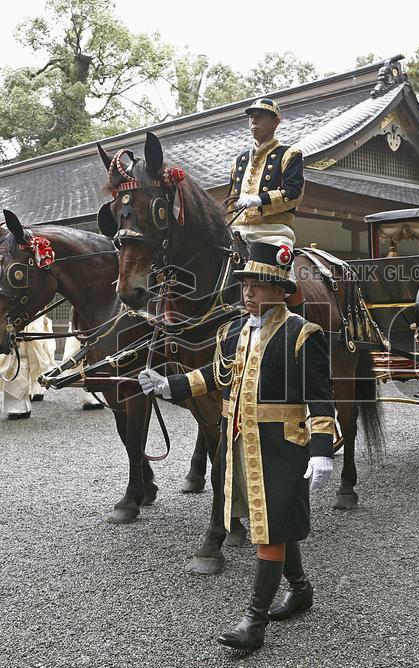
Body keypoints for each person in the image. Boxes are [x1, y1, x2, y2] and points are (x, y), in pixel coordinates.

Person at [138, 241, 335, 652]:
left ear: (280, 289)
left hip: (283, 447)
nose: (248, 292)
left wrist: (321, 450)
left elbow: (320, 395)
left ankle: (254, 621)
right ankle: (299, 589)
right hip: (238, 442)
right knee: (271, 521)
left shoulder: (303, 333)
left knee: (269, 527)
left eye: (259, 285)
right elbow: (215, 375)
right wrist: (168, 385)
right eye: (245, 284)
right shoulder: (232, 331)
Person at [228, 98, 304, 249]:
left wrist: (260, 200)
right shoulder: (239, 160)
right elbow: (230, 200)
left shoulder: (289, 154)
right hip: (236, 233)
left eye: (260, 116)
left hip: (272, 233)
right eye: (251, 117)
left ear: (275, 122)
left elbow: (293, 193)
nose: (254, 121)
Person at [0, 314, 52, 419]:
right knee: (12, 380)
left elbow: (35, 331)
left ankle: (25, 409)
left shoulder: (28, 316)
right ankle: (13, 410)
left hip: (25, 353)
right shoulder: (7, 315)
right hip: (11, 355)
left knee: (23, 382)